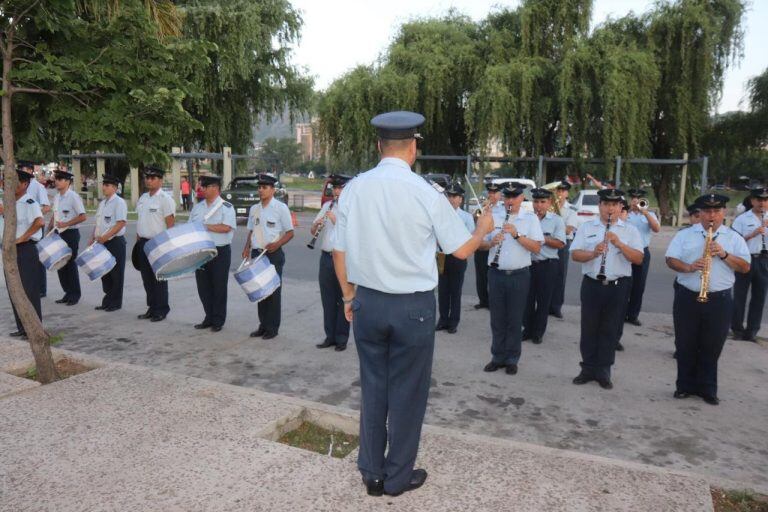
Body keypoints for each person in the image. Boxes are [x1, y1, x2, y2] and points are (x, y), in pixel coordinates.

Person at [333, 111, 493, 498]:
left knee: (374, 387)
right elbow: (459, 252)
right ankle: (397, 477)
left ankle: (371, 472)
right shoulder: (425, 193)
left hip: (368, 301)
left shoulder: (355, 188)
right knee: (407, 391)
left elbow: (339, 252)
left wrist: (348, 297)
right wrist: (482, 229)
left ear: (378, 146)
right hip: (413, 308)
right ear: (413, 148)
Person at [665, 194, 750, 405]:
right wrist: (689, 267)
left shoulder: (733, 237)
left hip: (719, 300)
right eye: (707, 211)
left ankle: (707, 389)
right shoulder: (685, 234)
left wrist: (724, 254)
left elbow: (745, 267)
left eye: (716, 211)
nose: (712, 215)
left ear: (723, 213)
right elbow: (670, 259)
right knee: (685, 343)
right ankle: (684, 386)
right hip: (688, 296)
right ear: (700, 214)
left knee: (712, 345)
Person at [570, 189, 643, 389]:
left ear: (621, 207)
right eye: (606, 204)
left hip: (618, 286)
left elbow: (638, 259)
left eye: (614, 205)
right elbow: (575, 255)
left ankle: (603, 371)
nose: (610, 208)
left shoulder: (630, 230)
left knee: (609, 329)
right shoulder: (586, 227)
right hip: (592, 284)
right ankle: (587, 369)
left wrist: (619, 244)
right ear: (600, 206)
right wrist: (593, 253)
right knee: (589, 328)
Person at [482, 183, 543, 374]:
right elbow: (478, 243)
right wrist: (491, 242)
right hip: (496, 273)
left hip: (519, 275)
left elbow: (536, 248)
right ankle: (497, 356)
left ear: (521, 198)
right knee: (497, 318)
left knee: (515, 319)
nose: (510, 201)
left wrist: (517, 235)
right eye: (507, 197)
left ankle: (512, 359)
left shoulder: (530, 218)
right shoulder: (493, 215)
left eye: (514, 197)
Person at [243, 173, 294, 339]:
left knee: (273, 293)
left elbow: (290, 232)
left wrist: (277, 244)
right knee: (260, 292)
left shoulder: (280, 208)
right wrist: (246, 248)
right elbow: (251, 230)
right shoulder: (254, 209)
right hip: (258, 254)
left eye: (264, 188)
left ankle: (272, 328)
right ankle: (263, 325)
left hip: (273, 254)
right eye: (259, 187)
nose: (261, 190)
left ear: (273, 190)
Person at [189, 175, 236, 332]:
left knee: (219, 286)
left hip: (219, 251)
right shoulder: (198, 208)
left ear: (215, 188)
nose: (201, 189)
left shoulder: (226, 207)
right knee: (203, 286)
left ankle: (218, 320)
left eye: (205, 186)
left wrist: (206, 226)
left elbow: (226, 227)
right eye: (202, 186)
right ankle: (208, 317)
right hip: (201, 251)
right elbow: (191, 227)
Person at [312, 173, 352, 351]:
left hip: (344, 259)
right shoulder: (328, 205)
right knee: (327, 299)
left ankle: (342, 338)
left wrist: (336, 222)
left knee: (344, 297)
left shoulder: (353, 209)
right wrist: (317, 224)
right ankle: (330, 336)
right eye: (335, 188)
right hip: (326, 257)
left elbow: (355, 236)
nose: (336, 191)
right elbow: (314, 230)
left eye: (340, 188)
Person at [523, 188, 565, 344]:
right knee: (527, 300)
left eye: (542, 202)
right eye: (536, 201)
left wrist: (542, 237)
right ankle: (527, 329)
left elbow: (560, 243)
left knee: (543, 300)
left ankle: (538, 332)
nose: (538, 205)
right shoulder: (526, 218)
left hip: (547, 265)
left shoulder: (556, 220)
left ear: (549, 203)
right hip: (528, 264)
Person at [135, 165, 176, 322]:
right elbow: (141, 220)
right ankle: (151, 307)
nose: (149, 181)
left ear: (160, 180)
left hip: (158, 243)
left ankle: (161, 309)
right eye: (147, 178)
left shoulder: (165, 200)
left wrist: (167, 246)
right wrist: (138, 238)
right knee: (146, 278)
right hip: (143, 243)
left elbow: (170, 224)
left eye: (153, 178)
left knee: (159, 278)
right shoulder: (144, 198)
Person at [7, 169, 45, 338]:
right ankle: (22, 327)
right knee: (14, 289)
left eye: (15, 181)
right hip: (10, 250)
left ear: (24, 184)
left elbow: (40, 222)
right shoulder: (10, 202)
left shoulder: (30, 202)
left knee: (29, 291)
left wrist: (23, 237)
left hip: (26, 249)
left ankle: (34, 329)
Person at [436, 183, 476, 334]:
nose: (451, 199)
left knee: (455, 289)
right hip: (442, 255)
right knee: (443, 289)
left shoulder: (466, 217)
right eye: (449, 196)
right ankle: (443, 319)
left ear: (461, 199)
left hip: (458, 256)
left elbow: (471, 237)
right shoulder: (439, 215)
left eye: (455, 196)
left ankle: (454, 321)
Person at [730, 187, 768, 342]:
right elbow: (734, 242)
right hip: (746, 258)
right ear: (752, 201)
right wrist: (752, 234)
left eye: (765, 200)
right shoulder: (742, 219)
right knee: (740, 295)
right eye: (759, 200)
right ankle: (737, 329)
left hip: (764, 260)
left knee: (759, 297)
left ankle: (752, 331)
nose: (762, 203)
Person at [48, 169, 86, 306]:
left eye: (60, 179)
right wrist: (50, 227)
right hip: (58, 233)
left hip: (70, 233)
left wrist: (66, 223)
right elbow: (55, 213)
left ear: (67, 182)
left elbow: (83, 216)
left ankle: (75, 294)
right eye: (56, 179)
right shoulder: (57, 196)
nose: (56, 181)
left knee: (70, 264)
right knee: (60, 264)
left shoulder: (73, 197)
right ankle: (67, 293)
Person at [623, 189, 660, 326]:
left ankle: (632, 315)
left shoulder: (649, 214)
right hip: (626, 251)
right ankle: (620, 313)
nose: (635, 200)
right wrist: (628, 210)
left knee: (639, 286)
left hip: (643, 252)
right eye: (633, 197)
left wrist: (644, 212)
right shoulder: (625, 213)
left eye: (638, 198)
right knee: (624, 283)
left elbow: (656, 228)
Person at [91, 175, 128, 312]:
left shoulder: (119, 202)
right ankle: (107, 300)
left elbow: (121, 223)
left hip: (114, 242)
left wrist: (105, 237)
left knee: (116, 273)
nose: (104, 187)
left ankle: (115, 302)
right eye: (104, 185)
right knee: (105, 273)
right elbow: (98, 223)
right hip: (102, 242)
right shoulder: (103, 203)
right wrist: (92, 239)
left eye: (107, 185)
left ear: (115, 188)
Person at [19, 162, 50, 298]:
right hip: (22, 228)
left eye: (24, 169)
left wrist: (34, 214)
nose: (22, 171)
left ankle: (41, 288)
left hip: (35, 226)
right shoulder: (18, 188)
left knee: (38, 258)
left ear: (31, 171)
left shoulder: (38, 187)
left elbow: (46, 207)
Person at [473, 182, 503, 309]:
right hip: (480, 244)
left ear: (500, 194)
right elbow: (475, 220)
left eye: (495, 192)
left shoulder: (503, 210)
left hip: (493, 245)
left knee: (492, 276)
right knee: (480, 275)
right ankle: (483, 300)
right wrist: (480, 211)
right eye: (490, 192)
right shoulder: (482, 207)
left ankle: (493, 301)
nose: (492, 195)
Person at [550, 180, 577, 318]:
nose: (560, 193)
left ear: (567, 193)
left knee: (560, 275)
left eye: (562, 191)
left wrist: (553, 231)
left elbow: (568, 230)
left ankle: (556, 307)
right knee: (546, 274)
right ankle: (545, 304)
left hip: (562, 244)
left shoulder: (571, 210)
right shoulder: (549, 207)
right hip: (548, 243)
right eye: (558, 191)